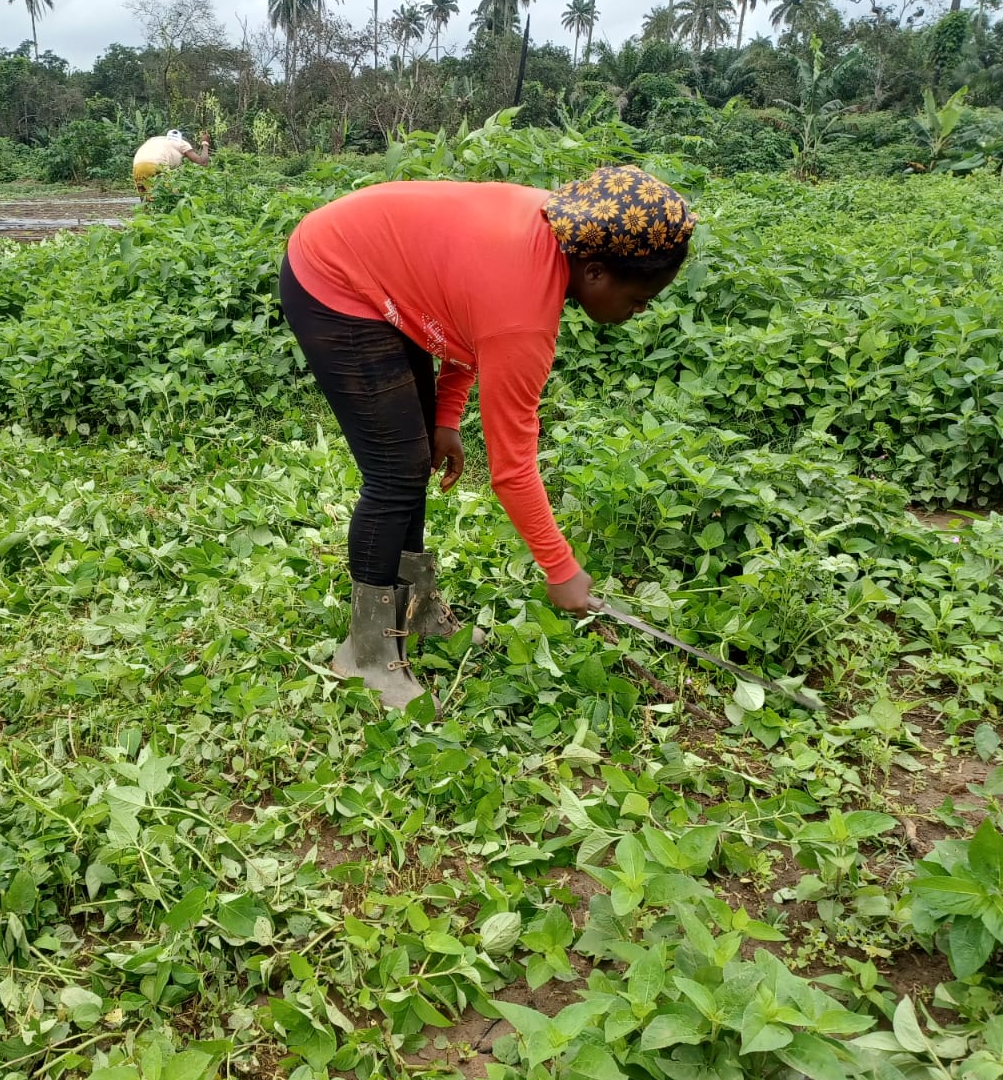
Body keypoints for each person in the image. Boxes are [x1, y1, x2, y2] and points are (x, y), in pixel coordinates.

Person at [281, 166, 694, 709]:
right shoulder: (524, 306)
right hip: (334, 272)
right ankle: (364, 652)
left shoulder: (564, 231)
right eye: (640, 299)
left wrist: (447, 417)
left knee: (416, 455)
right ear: (594, 271)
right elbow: (511, 467)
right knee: (395, 469)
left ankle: (417, 611)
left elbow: (461, 312)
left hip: (378, 262)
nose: (640, 311)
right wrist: (561, 569)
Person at [131, 130, 210, 199]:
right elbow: (202, 162)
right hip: (156, 166)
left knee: (146, 199)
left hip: (138, 166)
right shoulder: (182, 143)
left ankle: (146, 214)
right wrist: (205, 143)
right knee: (172, 196)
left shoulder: (155, 140)